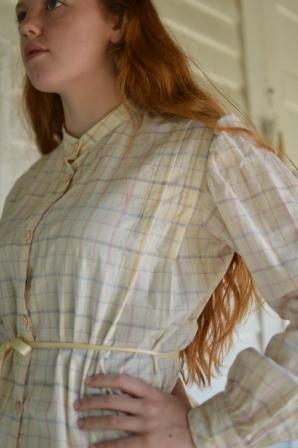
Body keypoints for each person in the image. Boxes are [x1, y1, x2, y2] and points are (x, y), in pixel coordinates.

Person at [0, 0, 297, 446]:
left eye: (55, 4)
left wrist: (206, 430)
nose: (29, 26)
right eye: (21, 14)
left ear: (118, 21)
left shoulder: (203, 150)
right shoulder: (30, 187)